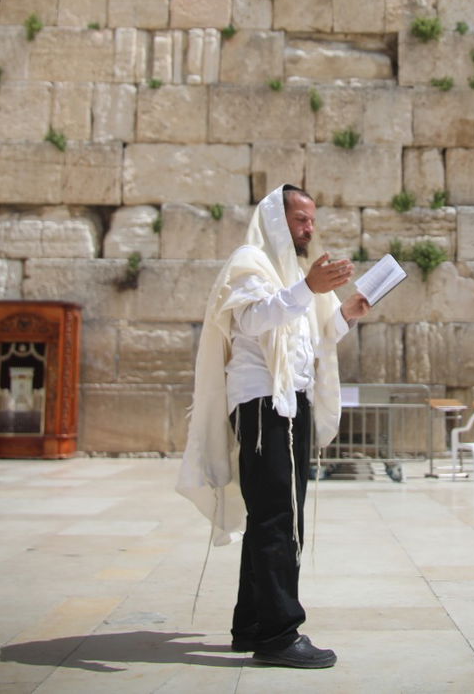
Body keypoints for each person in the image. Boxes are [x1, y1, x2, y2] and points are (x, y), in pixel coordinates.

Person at [177, 184, 370, 669]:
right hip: (265, 406)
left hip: (290, 403)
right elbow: (254, 320)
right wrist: (310, 288)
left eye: (311, 220)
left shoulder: (293, 274)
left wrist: (345, 313)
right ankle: (281, 633)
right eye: (302, 220)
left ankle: (252, 624)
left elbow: (308, 339)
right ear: (278, 222)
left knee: (273, 514)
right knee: (278, 519)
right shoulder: (250, 263)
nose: (310, 229)